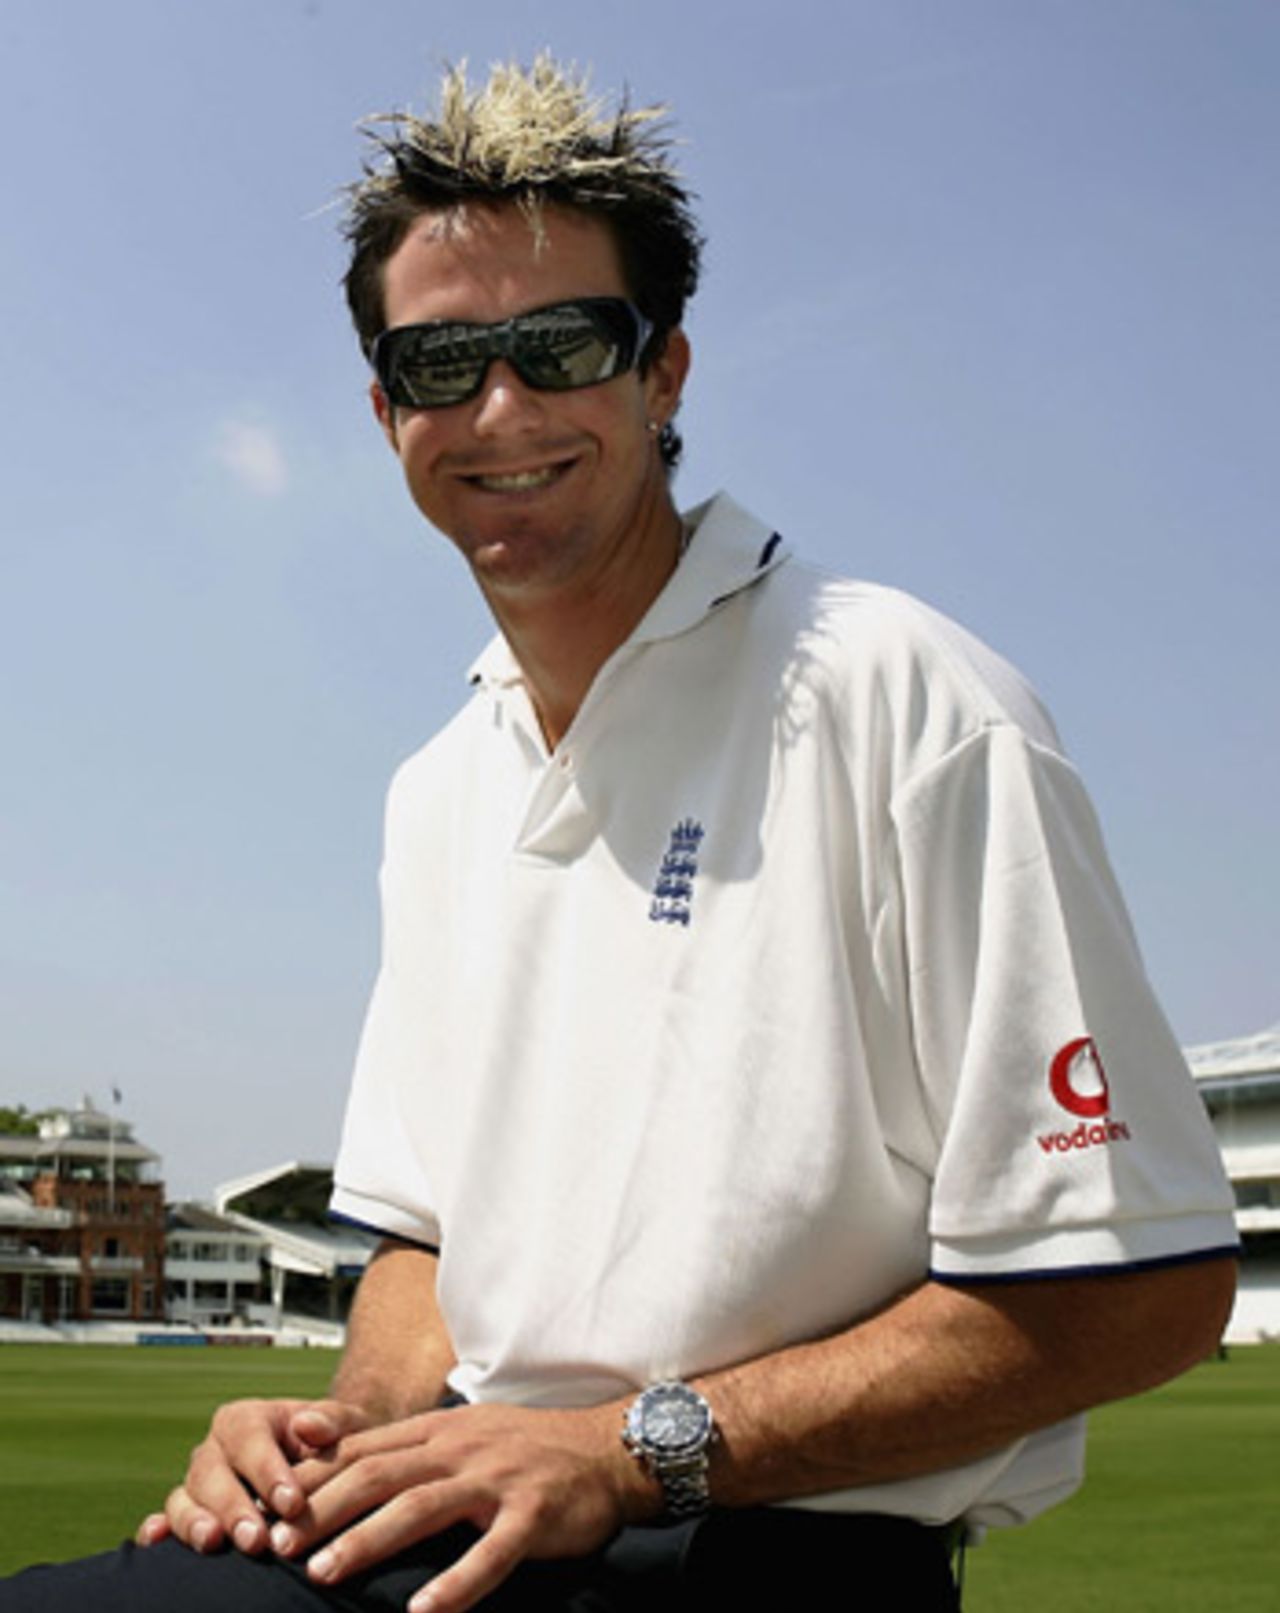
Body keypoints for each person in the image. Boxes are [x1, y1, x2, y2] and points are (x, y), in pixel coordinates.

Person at [2, 54, 1238, 1613]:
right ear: (387, 413)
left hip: (763, 1551)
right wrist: (349, 1429)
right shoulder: (440, 781)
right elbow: (425, 1248)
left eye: (563, 344)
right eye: (441, 364)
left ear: (665, 375)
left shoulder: (904, 696)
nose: (500, 409)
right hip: (473, 1523)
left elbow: (1143, 1286)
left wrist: (626, 1449)